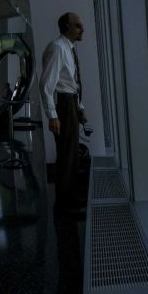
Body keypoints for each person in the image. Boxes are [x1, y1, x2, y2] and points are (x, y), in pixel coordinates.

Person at [39, 12, 87, 212]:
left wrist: (80, 107)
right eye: (78, 25)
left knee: (71, 154)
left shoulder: (69, 48)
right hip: (64, 105)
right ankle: (65, 204)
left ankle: (69, 198)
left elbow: (71, 82)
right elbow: (46, 84)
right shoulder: (58, 48)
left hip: (71, 103)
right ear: (67, 26)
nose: (82, 29)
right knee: (67, 155)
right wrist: (53, 116)